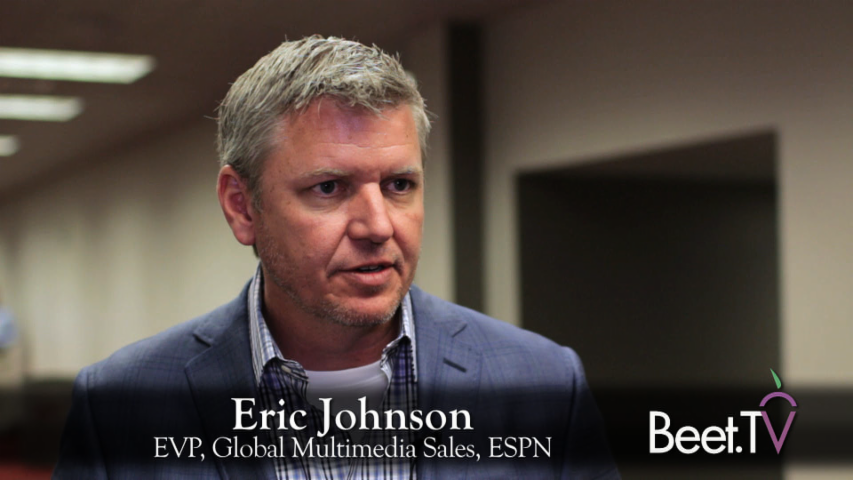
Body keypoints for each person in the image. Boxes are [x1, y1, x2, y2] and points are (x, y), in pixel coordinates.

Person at [55, 36, 619, 479]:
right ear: (242, 206)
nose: (378, 226)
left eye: (399, 185)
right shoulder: (117, 407)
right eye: (328, 188)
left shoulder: (546, 382)